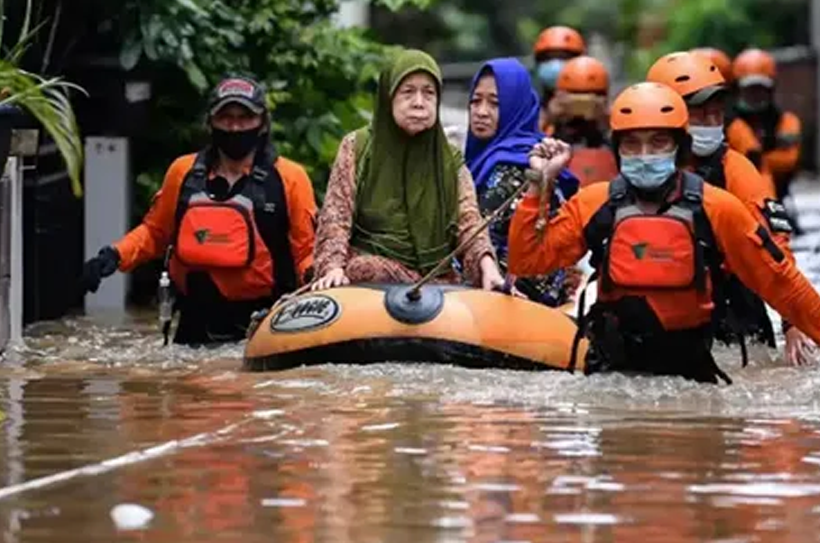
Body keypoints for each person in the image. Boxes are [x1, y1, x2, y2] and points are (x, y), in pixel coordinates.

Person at [507, 83, 820, 391]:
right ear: (618, 149)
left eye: (657, 142)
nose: (644, 154)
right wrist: (537, 186)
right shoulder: (595, 204)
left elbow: (780, 280)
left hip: (692, 376)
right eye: (633, 144)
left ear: (678, 147)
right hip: (613, 376)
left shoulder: (718, 209)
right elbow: (528, 261)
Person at [81, 76, 318, 345]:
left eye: (245, 117)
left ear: (262, 123)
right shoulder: (183, 173)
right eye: (225, 117)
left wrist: (319, 281)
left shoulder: (290, 178)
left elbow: (305, 252)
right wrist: (114, 255)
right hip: (193, 325)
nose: (235, 126)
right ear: (210, 122)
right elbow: (155, 232)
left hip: (265, 326)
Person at [646, 51, 816, 366]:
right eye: (698, 113)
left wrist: (792, 321)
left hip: (729, 310)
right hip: (654, 306)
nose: (710, 123)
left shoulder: (735, 168)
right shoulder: (635, 168)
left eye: (715, 113)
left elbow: (774, 247)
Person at [312, 49, 505, 292]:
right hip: (370, 275)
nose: (419, 103)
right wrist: (332, 268)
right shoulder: (357, 147)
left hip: (437, 280)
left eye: (429, 93)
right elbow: (336, 216)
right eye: (408, 92)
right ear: (388, 97)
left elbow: (469, 221)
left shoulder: (449, 158)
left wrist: (488, 267)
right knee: (363, 267)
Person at [465, 58, 581, 305]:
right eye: (475, 101)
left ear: (515, 108)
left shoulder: (521, 165)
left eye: (495, 103)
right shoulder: (476, 160)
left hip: (515, 302)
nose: (481, 111)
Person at [726, 49, 803, 229]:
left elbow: (789, 160)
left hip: (776, 196)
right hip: (734, 197)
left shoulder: (786, 121)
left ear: (771, 89)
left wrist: (756, 162)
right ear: (738, 89)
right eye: (750, 89)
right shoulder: (727, 122)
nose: (755, 94)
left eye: (761, 89)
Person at [551, 55, 617, 186]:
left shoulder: (610, 132)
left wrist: (608, 117)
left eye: (590, 96)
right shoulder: (552, 130)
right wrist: (551, 117)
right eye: (574, 95)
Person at [531, 25, 587, 131]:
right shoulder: (529, 105)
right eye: (548, 58)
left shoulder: (596, 93)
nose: (555, 64)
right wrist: (548, 118)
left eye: (563, 57)